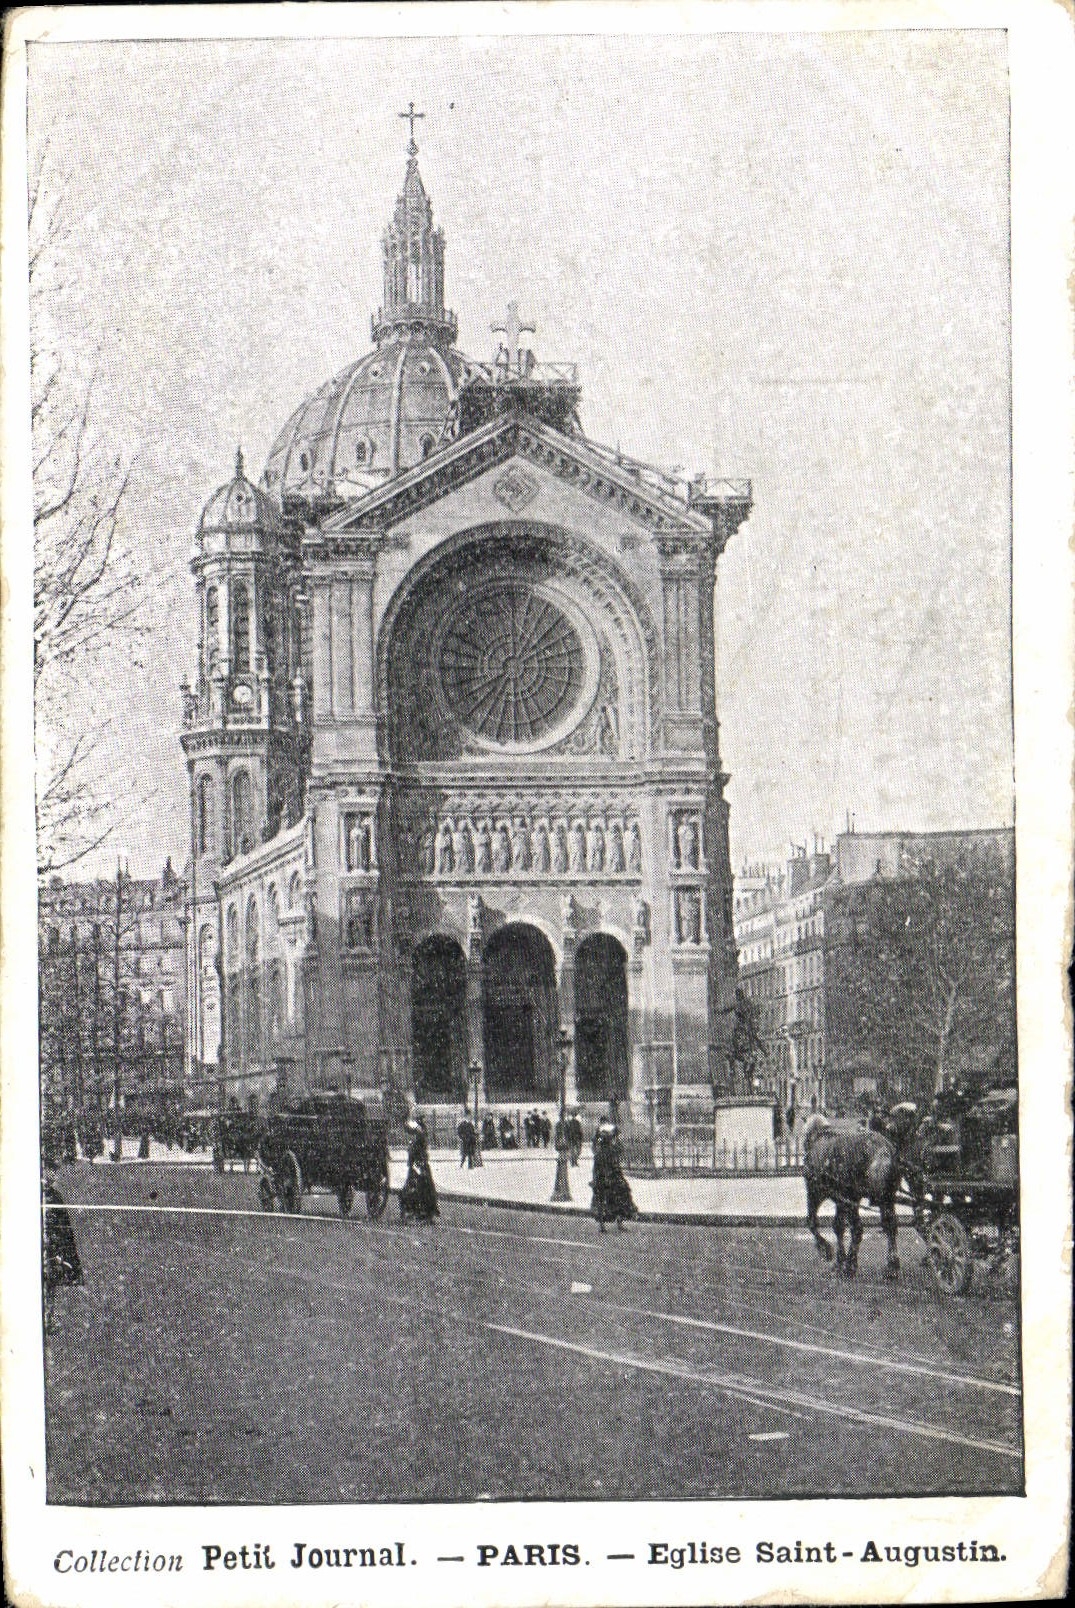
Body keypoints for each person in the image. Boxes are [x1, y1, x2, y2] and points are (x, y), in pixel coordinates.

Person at [590, 1120, 637, 1232]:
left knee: (602, 1201)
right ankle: (619, 1223)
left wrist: (595, 1179)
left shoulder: (599, 1153)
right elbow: (621, 1149)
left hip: (602, 1179)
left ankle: (602, 1226)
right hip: (614, 1178)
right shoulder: (612, 1150)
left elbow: (595, 1168)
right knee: (619, 1199)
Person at [399, 1116, 439, 1222]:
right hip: (419, 1164)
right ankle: (422, 1212)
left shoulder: (419, 1136)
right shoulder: (420, 1135)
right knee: (422, 1188)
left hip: (418, 1165)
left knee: (418, 1188)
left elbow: (416, 1151)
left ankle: (417, 1211)